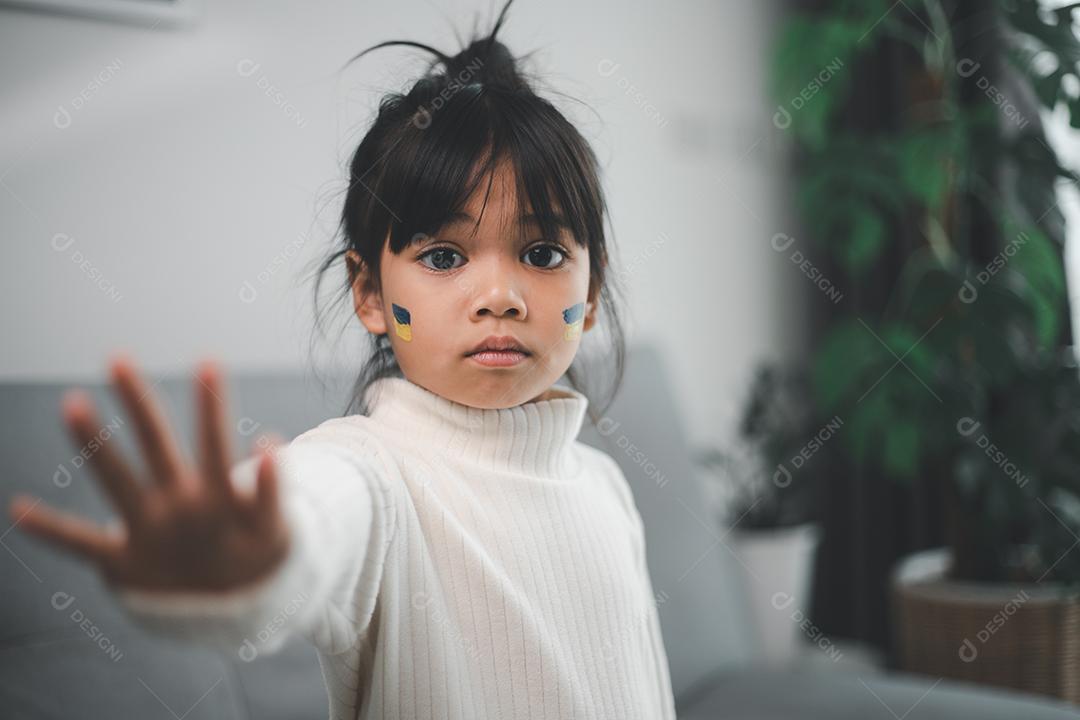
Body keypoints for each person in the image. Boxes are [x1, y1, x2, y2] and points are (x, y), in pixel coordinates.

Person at [7, 1, 677, 717]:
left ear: (594, 290)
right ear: (370, 293)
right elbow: (309, 525)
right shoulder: (371, 479)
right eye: (444, 255)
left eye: (542, 254)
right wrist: (238, 569)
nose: (501, 297)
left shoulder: (606, 486)